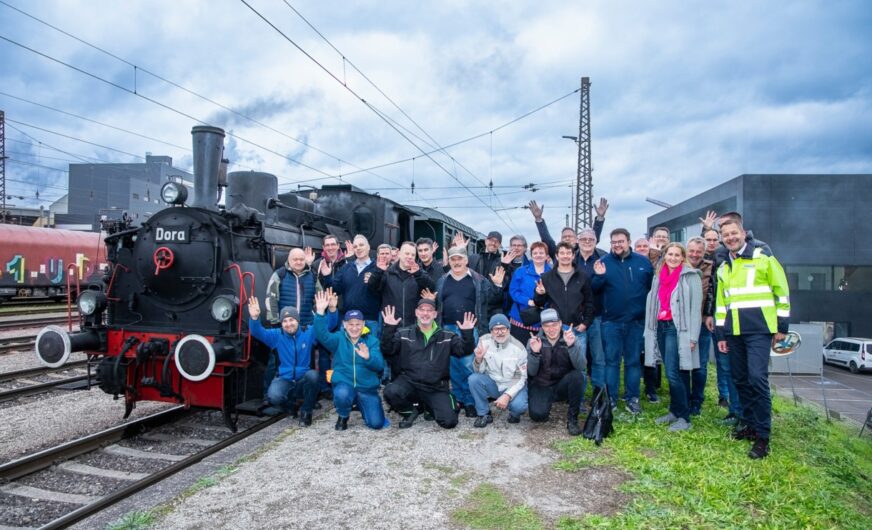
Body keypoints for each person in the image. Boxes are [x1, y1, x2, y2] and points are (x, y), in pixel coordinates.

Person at [715, 218, 790, 459]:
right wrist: (721, 334)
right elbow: (721, 305)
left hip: (759, 330)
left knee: (757, 379)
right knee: (740, 379)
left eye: (733, 233)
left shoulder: (763, 257)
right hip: (734, 332)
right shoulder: (724, 266)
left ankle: (763, 436)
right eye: (725, 235)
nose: (730, 238)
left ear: (743, 233)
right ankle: (748, 425)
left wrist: (782, 327)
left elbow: (782, 292)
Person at [381, 300, 477, 429]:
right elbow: (388, 350)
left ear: (435, 314)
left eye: (429, 310)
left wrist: (467, 333)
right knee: (390, 391)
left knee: (449, 422)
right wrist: (389, 328)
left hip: (435, 387)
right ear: (416, 312)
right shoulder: (404, 333)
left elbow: (464, 351)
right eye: (422, 310)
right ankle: (410, 411)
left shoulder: (447, 336)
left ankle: (431, 405)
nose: (425, 313)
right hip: (410, 383)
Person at [434, 245, 506, 416]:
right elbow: (437, 304)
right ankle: (459, 398)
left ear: (466, 260)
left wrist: (497, 285)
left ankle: (471, 401)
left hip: (470, 329)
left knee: (468, 365)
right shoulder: (442, 280)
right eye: (453, 259)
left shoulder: (478, 280)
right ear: (449, 261)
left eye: (460, 259)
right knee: (453, 367)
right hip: (447, 328)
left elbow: (494, 300)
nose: (456, 262)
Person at [592, 228, 654, 414]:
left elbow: (652, 290)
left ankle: (632, 398)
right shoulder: (603, 263)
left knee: (633, 361)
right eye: (614, 242)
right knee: (611, 361)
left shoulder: (643, 262)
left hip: (636, 322)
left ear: (628, 242)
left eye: (621, 241)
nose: (617, 245)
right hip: (611, 322)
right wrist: (599, 276)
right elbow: (594, 289)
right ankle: (611, 398)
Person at [643, 243, 702, 432]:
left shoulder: (691, 276)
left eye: (677, 255)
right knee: (675, 370)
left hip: (677, 329)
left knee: (674, 373)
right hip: (660, 326)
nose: (673, 258)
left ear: (683, 258)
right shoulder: (658, 277)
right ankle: (675, 411)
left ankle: (684, 417)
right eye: (670, 254)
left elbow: (695, 309)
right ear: (665, 256)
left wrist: (693, 337)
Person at [248, 297, 332, 426]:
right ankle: (291, 406)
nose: (288, 324)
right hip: (285, 378)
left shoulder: (308, 332)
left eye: (291, 320)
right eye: (285, 321)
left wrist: (328, 310)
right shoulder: (276, 335)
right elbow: (257, 332)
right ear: (281, 323)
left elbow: (327, 327)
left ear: (297, 320)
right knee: (274, 396)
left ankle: (306, 411)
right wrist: (254, 318)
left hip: (304, 378)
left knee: (313, 376)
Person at [312, 290, 387, 431]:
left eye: (358, 324)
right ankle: (343, 414)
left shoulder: (372, 341)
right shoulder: (338, 338)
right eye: (351, 324)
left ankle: (361, 403)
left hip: (366, 387)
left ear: (364, 324)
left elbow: (379, 366)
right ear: (344, 324)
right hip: (344, 383)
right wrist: (321, 312)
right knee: (341, 394)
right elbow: (322, 335)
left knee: (376, 424)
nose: (354, 328)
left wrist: (368, 357)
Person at [532, 241, 595, 401]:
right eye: (562, 253)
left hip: (576, 328)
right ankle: (555, 396)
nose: (565, 256)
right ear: (556, 256)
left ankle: (578, 402)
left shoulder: (583, 276)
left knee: (579, 367)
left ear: (573, 256)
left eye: (569, 253)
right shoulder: (546, 277)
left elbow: (589, 302)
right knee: (555, 364)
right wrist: (539, 294)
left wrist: (585, 323)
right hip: (554, 330)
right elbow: (539, 303)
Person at [263, 247, 317, 397]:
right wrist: (276, 323)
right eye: (295, 259)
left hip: (306, 326)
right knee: (275, 362)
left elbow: (319, 297)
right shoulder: (279, 274)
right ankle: (267, 395)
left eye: (301, 259)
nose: (299, 262)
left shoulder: (312, 275)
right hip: (284, 327)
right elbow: (271, 299)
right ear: (289, 260)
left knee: (308, 363)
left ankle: (307, 396)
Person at [527, 308, 586, 435]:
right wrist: (535, 353)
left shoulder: (570, 338)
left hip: (562, 384)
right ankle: (545, 402)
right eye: (547, 326)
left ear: (560, 324)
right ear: (542, 327)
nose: (551, 329)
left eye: (554, 325)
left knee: (578, 376)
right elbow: (531, 372)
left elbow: (581, 366)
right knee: (538, 416)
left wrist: (572, 346)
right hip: (542, 385)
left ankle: (572, 419)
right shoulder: (534, 342)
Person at [468, 314, 529, 427]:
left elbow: (521, 378)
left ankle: (514, 413)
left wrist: (507, 395)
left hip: (512, 384)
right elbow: (479, 372)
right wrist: (478, 359)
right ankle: (484, 414)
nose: (500, 332)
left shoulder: (519, 348)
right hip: (494, 383)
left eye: (503, 328)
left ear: (509, 329)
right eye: (496, 329)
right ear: (491, 331)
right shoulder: (483, 342)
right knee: (473, 379)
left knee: (519, 406)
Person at [319, 234, 382, 337]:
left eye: (361, 245)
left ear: (368, 247)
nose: (358, 248)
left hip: (369, 320)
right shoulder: (346, 268)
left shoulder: (377, 268)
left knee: (369, 352)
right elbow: (335, 290)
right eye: (355, 246)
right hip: (348, 320)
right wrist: (327, 277)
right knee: (346, 352)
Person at [686, 237, 716, 416]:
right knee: (681, 364)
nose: (695, 254)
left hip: (702, 322)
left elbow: (713, 292)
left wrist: (709, 314)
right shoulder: (678, 265)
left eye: (699, 251)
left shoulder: (712, 267)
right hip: (681, 323)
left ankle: (697, 400)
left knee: (700, 365)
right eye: (692, 251)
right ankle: (682, 398)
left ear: (704, 252)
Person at [528, 199, 607, 262]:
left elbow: (592, 238)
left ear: (577, 240)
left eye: (570, 236)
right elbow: (547, 239)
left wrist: (599, 218)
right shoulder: (556, 252)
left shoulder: (583, 250)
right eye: (564, 237)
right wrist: (538, 219)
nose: (567, 238)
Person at [508, 241, 551, 343]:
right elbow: (513, 291)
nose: (538, 255)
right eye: (535, 253)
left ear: (546, 256)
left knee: (540, 355)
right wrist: (528, 301)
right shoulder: (521, 271)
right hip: (520, 319)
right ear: (531, 255)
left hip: (543, 321)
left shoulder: (552, 273)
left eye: (541, 253)